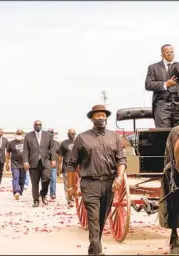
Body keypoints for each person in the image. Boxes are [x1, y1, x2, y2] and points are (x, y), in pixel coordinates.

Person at [67, 105, 127, 255]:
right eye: (98, 115)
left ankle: (93, 249)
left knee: (101, 220)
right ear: (91, 118)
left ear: (106, 118)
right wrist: (70, 187)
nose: (101, 118)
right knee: (93, 219)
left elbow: (121, 160)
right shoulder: (82, 138)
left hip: (109, 184)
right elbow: (72, 164)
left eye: (103, 115)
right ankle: (98, 252)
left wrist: (119, 178)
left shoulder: (115, 137)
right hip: (90, 183)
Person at [145, 44, 179, 128]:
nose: (170, 53)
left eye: (171, 52)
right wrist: (165, 84)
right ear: (162, 54)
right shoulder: (153, 67)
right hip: (162, 105)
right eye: (167, 52)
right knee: (163, 133)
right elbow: (148, 85)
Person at [23, 120, 56, 207]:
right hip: (33, 163)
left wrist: (53, 159)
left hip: (45, 162)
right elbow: (25, 150)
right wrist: (25, 161)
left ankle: (43, 194)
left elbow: (52, 148)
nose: (38, 126)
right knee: (35, 182)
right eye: (36, 124)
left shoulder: (48, 135)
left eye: (39, 124)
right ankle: (36, 200)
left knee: (47, 178)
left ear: (42, 125)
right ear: (33, 125)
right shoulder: (28, 136)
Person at [57, 128, 76, 207]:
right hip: (66, 167)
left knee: (75, 184)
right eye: (69, 133)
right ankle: (69, 201)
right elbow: (60, 156)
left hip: (76, 168)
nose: (71, 135)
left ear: (75, 134)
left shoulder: (78, 142)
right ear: (67, 134)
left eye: (72, 133)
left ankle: (75, 199)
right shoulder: (64, 143)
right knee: (68, 184)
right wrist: (59, 168)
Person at [6, 129, 26, 200]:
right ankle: (16, 192)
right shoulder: (11, 143)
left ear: (23, 134)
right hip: (14, 163)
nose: (19, 135)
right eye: (18, 133)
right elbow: (8, 153)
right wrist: (7, 164)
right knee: (15, 177)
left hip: (24, 164)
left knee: (22, 179)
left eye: (20, 134)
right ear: (15, 134)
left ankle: (20, 191)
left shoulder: (26, 142)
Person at [47, 128, 60, 200]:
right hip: (45, 164)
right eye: (49, 132)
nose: (50, 134)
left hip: (54, 165)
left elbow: (59, 156)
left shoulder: (57, 144)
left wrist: (59, 167)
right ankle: (44, 193)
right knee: (45, 179)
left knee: (53, 179)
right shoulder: (43, 143)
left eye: (51, 132)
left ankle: (53, 194)